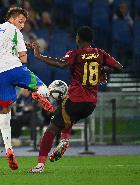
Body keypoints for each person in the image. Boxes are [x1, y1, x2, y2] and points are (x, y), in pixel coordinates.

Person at [29, 26, 123, 173]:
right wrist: (103, 70)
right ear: (91, 40)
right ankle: (64, 140)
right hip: (90, 104)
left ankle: (40, 165)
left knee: (51, 129)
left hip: (76, 100)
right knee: (68, 116)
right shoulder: (100, 54)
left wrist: (39, 56)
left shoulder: (75, 54)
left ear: (78, 38)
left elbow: (61, 64)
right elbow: (119, 68)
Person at [0, 7, 53, 171]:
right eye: (20, 21)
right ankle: (37, 94)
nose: (22, 25)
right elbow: (23, 59)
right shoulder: (16, 32)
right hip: (14, 69)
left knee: (4, 110)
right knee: (43, 87)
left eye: (24, 22)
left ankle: (8, 148)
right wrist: (20, 51)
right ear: (12, 19)